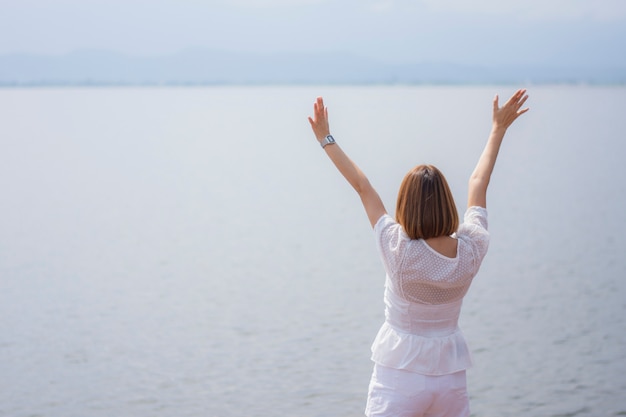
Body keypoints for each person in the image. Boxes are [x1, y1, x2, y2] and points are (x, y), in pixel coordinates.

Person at [307, 89, 529, 417]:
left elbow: (362, 187)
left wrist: (326, 138)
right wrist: (498, 129)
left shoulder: (397, 250)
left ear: (405, 206)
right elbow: (478, 182)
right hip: (450, 383)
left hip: (400, 378)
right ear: (446, 202)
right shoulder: (471, 248)